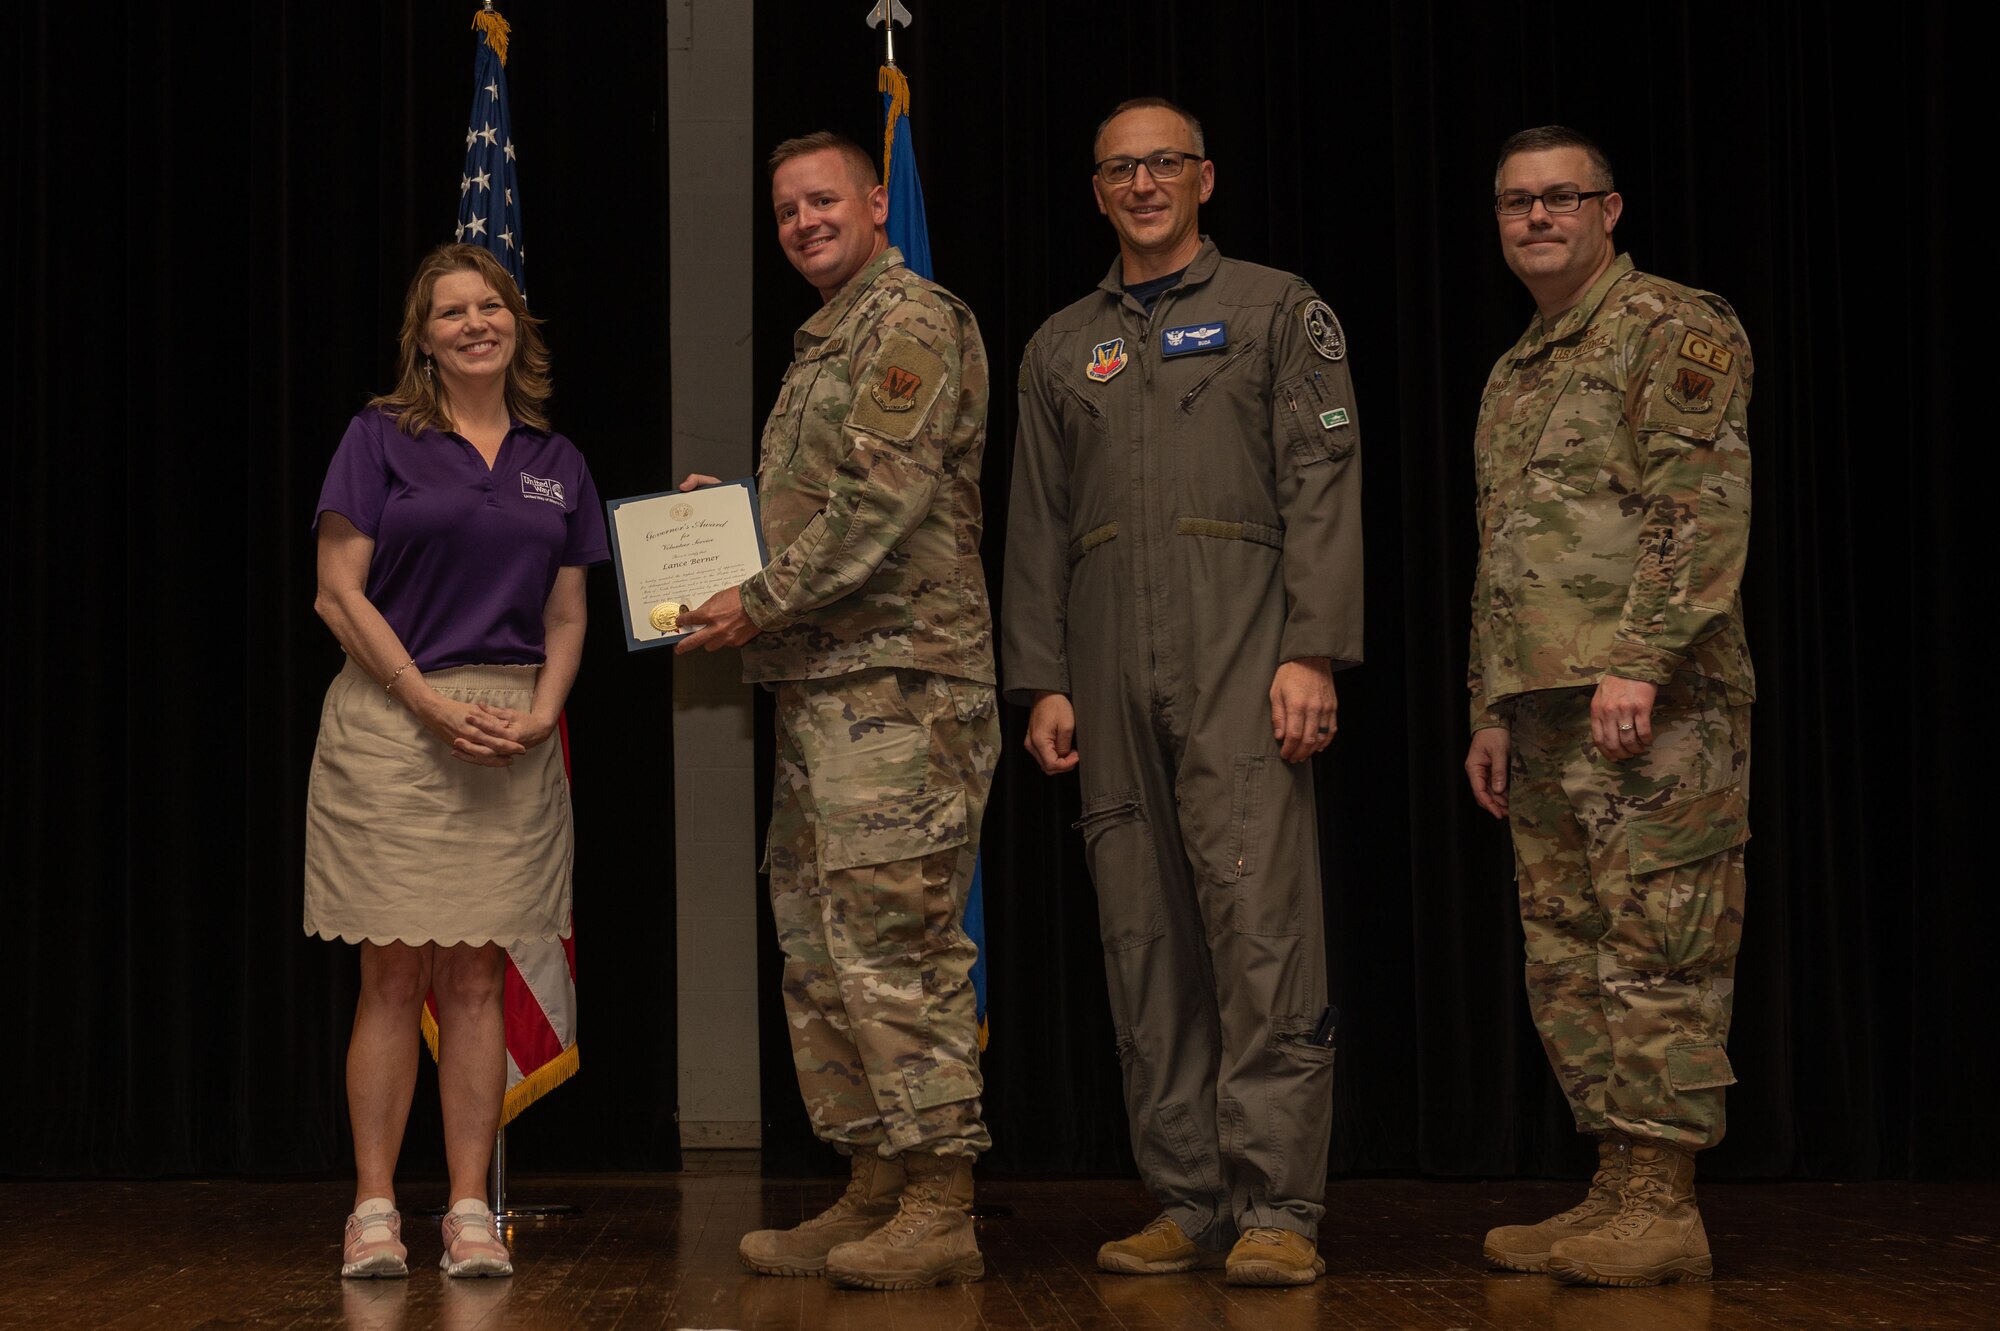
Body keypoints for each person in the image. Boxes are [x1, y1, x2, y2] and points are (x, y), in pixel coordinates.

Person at [1002, 97, 1363, 1288]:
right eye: (1119, 169)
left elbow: (1321, 478)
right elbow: (1037, 522)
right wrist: (1042, 678)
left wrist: (1311, 646)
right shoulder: (1060, 345)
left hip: (1238, 653)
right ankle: (1185, 1194)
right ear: (1096, 191)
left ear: (1203, 177)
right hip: (1105, 671)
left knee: (1258, 929)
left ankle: (1276, 1203)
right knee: (1142, 938)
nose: (1142, 183)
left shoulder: (1275, 309)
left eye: (1162, 164)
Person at [675, 131, 997, 1292]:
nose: (805, 220)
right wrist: (741, 520)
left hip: (901, 685)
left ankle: (939, 1196)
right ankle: (870, 1177)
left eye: (823, 200)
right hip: (823, 683)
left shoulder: (910, 321)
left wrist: (751, 589)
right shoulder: (826, 339)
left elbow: (879, 511)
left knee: (894, 937)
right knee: (820, 946)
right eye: (786, 208)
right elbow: (830, 502)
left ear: (874, 202)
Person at [1464, 125, 1754, 1287]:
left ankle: (1663, 1197)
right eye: (1514, 203)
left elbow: (1699, 507)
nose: (1535, 218)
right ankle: (1615, 1184)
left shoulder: (1672, 326)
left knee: (1658, 945)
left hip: (1655, 701)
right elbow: (1502, 556)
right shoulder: (1515, 367)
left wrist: (1637, 658)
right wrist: (1488, 703)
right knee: (1568, 956)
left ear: (1608, 210)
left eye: (1558, 199)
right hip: (1540, 710)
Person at [305, 242, 607, 1281]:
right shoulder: (377, 438)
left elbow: (570, 611)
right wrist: (426, 702)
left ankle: (471, 1207)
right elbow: (336, 594)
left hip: (510, 730)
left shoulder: (555, 459)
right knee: (390, 971)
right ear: (422, 337)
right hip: (395, 721)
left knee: (477, 975)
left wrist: (543, 711)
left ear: (515, 322)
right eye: (451, 312)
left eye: (491, 306)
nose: (475, 323)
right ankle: (375, 1207)